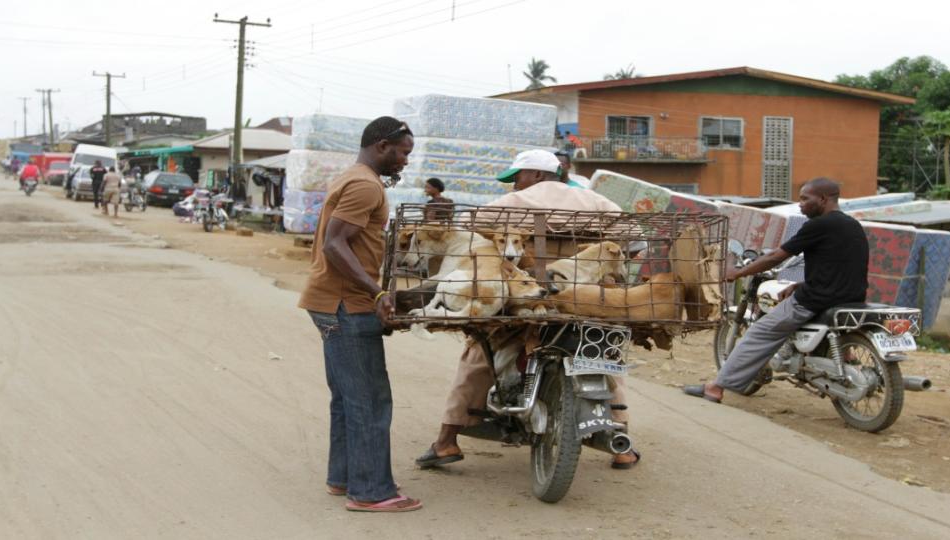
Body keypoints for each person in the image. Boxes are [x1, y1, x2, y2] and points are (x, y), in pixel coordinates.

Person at [415, 149, 640, 470]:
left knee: (479, 354)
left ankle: (447, 441)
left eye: (517, 177)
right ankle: (623, 447)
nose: (515, 185)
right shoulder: (595, 202)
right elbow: (635, 238)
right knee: (604, 357)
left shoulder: (515, 202)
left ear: (536, 175)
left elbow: (465, 225)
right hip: (587, 300)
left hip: (526, 298)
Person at [297, 116, 422, 513]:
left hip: (332, 300)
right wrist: (378, 291)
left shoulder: (354, 177)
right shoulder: (366, 185)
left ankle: (344, 477)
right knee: (369, 398)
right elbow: (336, 244)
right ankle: (371, 491)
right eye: (403, 153)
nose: (405, 161)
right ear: (382, 145)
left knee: (348, 397)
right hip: (346, 304)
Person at [683, 178, 869, 403]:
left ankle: (715, 387)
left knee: (759, 333)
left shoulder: (818, 225)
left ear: (823, 199)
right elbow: (839, 266)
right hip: (851, 297)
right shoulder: (853, 225)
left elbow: (775, 256)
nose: (799, 204)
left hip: (816, 300)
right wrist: (799, 284)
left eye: (804, 198)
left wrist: (738, 273)